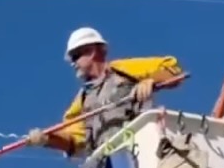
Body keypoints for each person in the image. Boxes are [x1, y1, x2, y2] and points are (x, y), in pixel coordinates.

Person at [27, 27, 185, 157]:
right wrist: (47, 139)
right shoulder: (82, 100)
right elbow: (73, 141)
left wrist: (150, 81)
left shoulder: (122, 70)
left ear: (91, 51)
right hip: (109, 163)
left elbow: (172, 71)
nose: (73, 64)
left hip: (141, 148)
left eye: (75, 57)